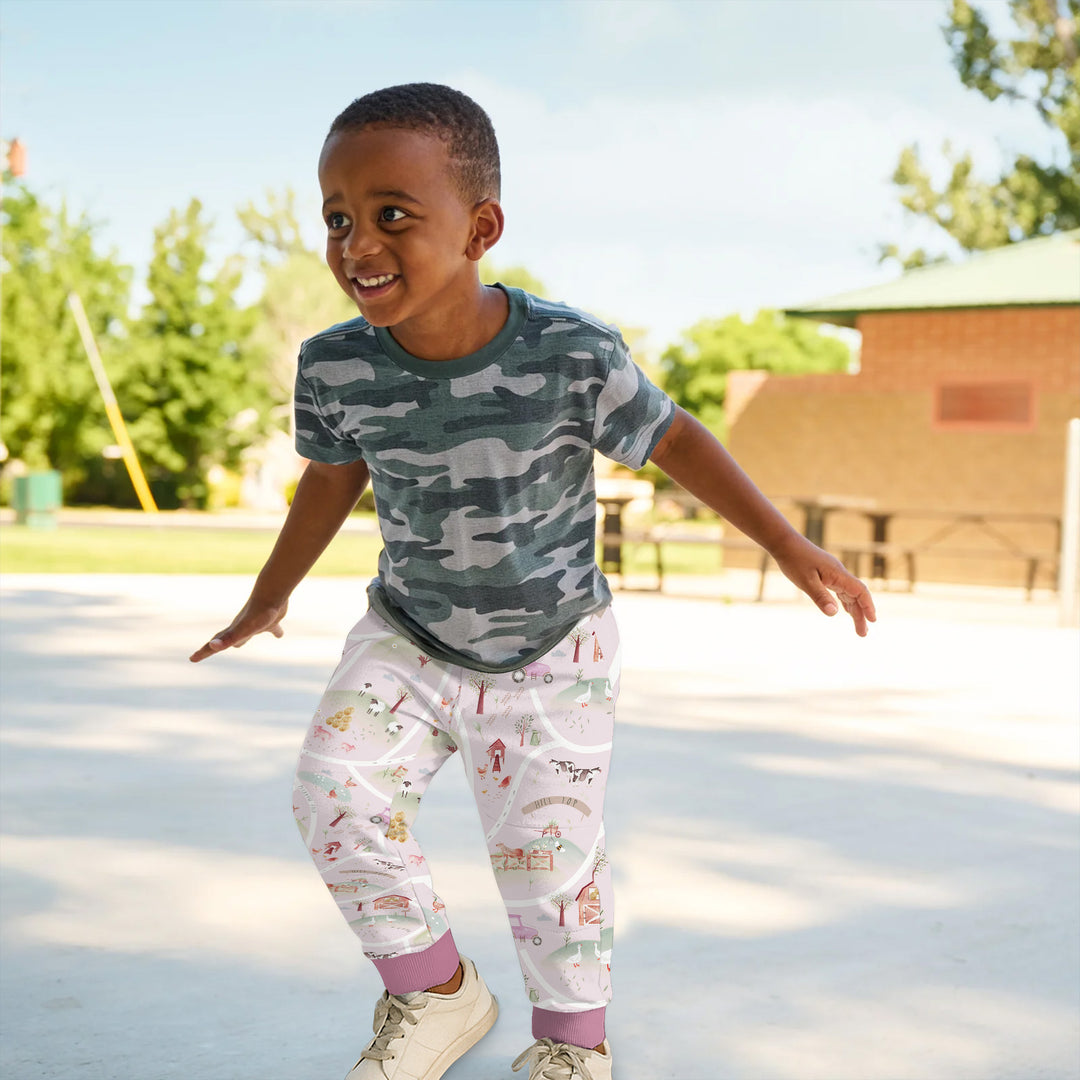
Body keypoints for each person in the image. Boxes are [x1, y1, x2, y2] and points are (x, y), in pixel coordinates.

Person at [190, 82, 876, 1080]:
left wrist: (783, 541)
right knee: (333, 792)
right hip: (410, 633)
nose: (357, 244)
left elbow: (673, 437)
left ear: (480, 227)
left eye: (392, 216)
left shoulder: (569, 351)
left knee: (548, 864)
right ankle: (434, 993)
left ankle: (569, 1052)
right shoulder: (335, 366)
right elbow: (330, 479)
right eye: (337, 218)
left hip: (555, 647)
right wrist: (268, 594)